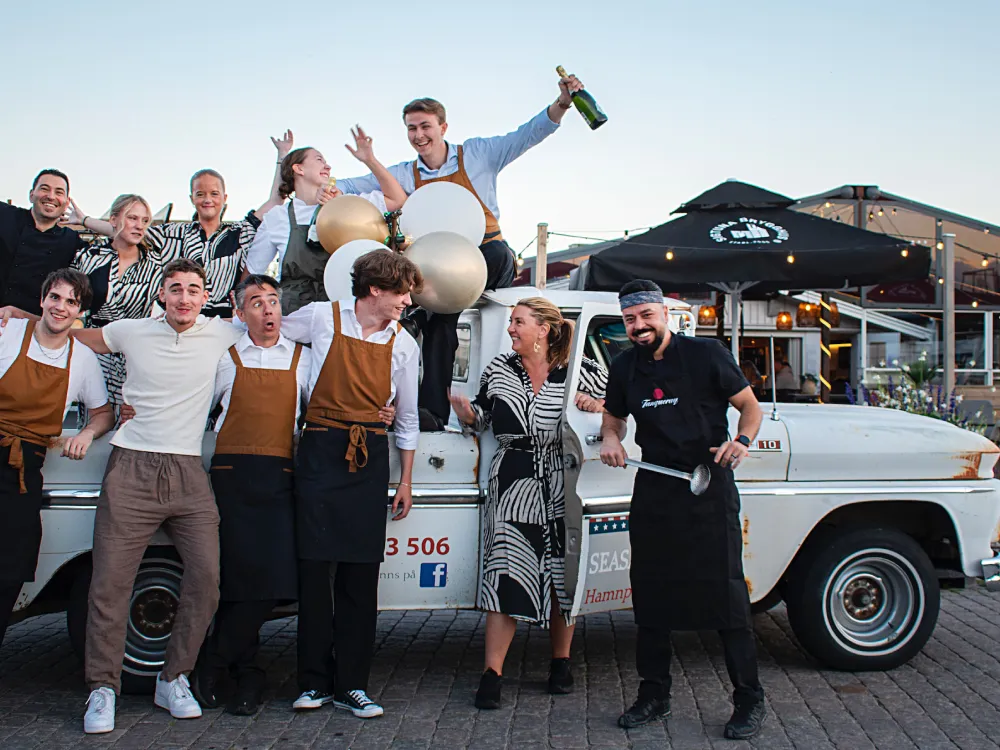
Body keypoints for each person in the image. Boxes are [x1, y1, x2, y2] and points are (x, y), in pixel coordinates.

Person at [336, 72, 588, 430]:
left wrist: (562, 102)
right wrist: (326, 186)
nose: (418, 135)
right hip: (439, 271)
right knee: (441, 323)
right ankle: (431, 414)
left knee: (495, 257)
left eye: (425, 126)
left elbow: (528, 134)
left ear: (443, 127)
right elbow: (352, 185)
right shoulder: (405, 174)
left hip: (488, 256)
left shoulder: (478, 153)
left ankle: (424, 319)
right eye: (411, 128)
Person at [69, 258, 241, 734]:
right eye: (175, 289)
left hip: (188, 471)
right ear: (161, 294)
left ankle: (173, 678)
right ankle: (103, 688)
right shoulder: (131, 331)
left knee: (206, 580)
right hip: (132, 465)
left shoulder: (222, 333)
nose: (184, 297)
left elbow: (281, 329)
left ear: (205, 297)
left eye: (193, 289)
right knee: (110, 584)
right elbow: (71, 335)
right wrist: (18, 316)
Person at [598, 280, 767, 741]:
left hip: (708, 484)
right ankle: (654, 694)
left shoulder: (706, 354)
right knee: (651, 595)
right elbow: (614, 416)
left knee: (727, 595)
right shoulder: (624, 365)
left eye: (646, 316)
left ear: (664, 315)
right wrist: (611, 438)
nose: (639, 326)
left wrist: (741, 441)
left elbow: (750, 408)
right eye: (630, 319)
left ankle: (749, 698)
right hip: (655, 488)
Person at [274, 250, 420, 719]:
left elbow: (408, 419)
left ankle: (353, 685)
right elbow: (271, 336)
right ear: (375, 289)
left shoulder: (405, 344)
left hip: (369, 456)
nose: (407, 301)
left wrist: (405, 481)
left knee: (361, 576)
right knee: (315, 575)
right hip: (319, 449)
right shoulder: (321, 317)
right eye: (401, 292)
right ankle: (313, 683)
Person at [448, 297, 606, 709]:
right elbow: (482, 417)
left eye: (518, 322)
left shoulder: (579, 369)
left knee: (561, 572)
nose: (511, 329)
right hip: (512, 478)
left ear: (544, 328)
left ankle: (561, 662)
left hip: (561, 476)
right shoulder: (499, 369)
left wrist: (598, 406)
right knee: (505, 569)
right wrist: (467, 413)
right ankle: (492, 673)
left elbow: (617, 409)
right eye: (511, 322)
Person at [0, 269, 113, 646]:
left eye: (71, 302)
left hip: (25, 470)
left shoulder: (82, 359)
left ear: (80, 311)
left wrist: (86, 434)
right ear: (42, 300)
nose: (61, 307)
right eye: (55, 297)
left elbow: (103, 413)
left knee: (11, 568)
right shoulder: (9, 331)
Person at [66, 132, 295, 317]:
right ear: (192, 198)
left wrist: (282, 155)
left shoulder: (241, 232)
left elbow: (276, 200)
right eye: (200, 194)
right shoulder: (173, 233)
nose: (207, 199)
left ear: (225, 198)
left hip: (223, 321)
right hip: (179, 320)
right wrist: (85, 220)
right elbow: (128, 231)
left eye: (214, 194)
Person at [244, 129, 406, 314]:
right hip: (294, 315)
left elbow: (397, 200)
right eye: (319, 160)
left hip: (343, 313)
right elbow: (253, 273)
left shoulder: (349, 205)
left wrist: (370, 160)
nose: (328, 167)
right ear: (299, 169)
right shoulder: (276, 217)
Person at [0, 170, 88, 315]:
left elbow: (119, 237)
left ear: (66, 203)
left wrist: (85, 220)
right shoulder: (5, 215)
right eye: (44, 189)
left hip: (32, 323)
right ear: (31, 195)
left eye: (59, 192)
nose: (51, 196)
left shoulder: (71, 240)